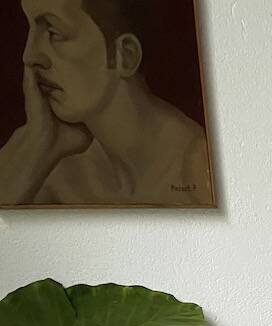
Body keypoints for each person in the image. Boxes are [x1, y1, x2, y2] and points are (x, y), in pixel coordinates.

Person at [0, 0, 213, 206]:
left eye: (54, 33)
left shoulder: (201, 170)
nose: (29, 56)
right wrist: (36, 142)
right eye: (31, 29)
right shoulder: (54, 167)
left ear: (125, 55)